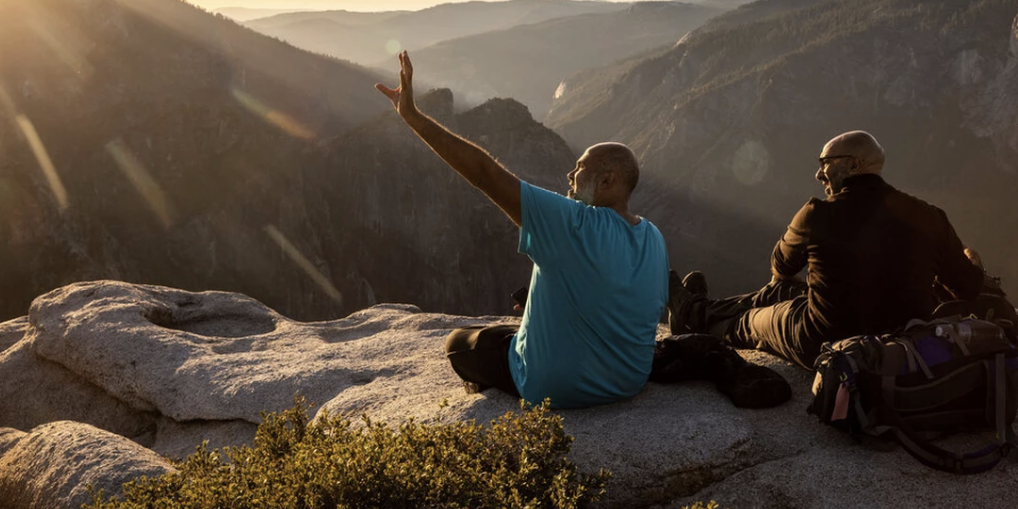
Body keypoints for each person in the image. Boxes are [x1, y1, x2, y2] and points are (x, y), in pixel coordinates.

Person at [376, 51, 669, 408]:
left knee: (460, 343)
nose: (570, 175)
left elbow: (483, 173)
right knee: (514, 329)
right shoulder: (653, 237)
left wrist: (412, 116)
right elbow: (631, 303)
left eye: (580, 168)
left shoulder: (572, 223)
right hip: (629, 382)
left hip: (553, 386)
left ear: (607, 180)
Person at [668, 130, 984, 369]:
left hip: (822, 340)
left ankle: (694, 316)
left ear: (854, 165)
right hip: (902, 343)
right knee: (783, 292)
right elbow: (968, 287)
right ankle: (695, 309)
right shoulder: (930, 216)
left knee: (750, 321)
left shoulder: (817, 214)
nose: (818, 174)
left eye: (825, 164)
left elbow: (781, 266)